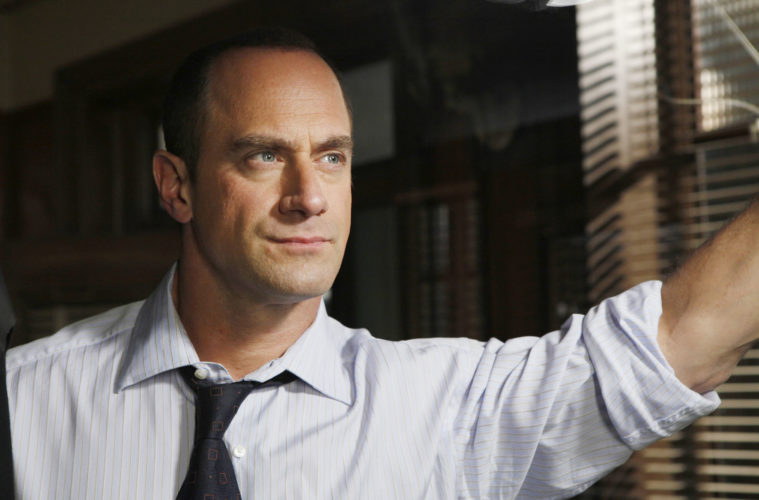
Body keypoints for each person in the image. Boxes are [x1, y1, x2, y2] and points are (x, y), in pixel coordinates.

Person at [5, 27, 754, 499]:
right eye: (263, 156)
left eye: (332, 157)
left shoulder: (446, 411)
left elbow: (679, 338)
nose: (309, 197)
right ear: (177, 187)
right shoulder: (21, 399)